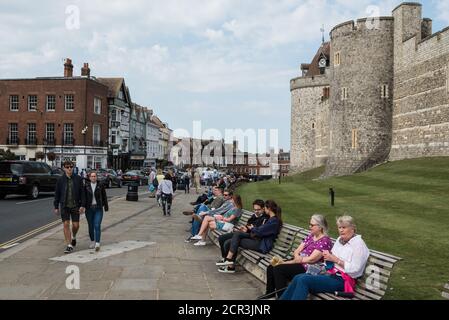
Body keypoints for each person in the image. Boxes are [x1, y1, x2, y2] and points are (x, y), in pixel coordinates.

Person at [280, 216, 370, 300]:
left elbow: (355, 270)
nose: (341, 230)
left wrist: (336, 260)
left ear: (352, 228)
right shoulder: (340, 240)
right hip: (329, 274)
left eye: (344, 227)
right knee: (298, 277)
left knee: (304, 280)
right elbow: (330, 259)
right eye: (340, 227)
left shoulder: (359, 245)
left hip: (343, 281)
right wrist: (327, 259)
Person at [262, 214, 333, 299]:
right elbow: (297, 250)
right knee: (271, 267)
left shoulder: (325, 241)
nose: (309, 226)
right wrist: (296, 257)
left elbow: (312, 259)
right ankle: (270, 293)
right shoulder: (311, 236)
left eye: (312, 225)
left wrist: (298, 260)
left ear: (320, 227)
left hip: (309, 267)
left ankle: (283, 297)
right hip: (299, 261)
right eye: (309, 224)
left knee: (278, 269)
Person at [217, 200, 282, 273]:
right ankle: (229, 265)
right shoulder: (271, 219)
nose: (264, 210)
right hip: (258, 240)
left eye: (265, 208)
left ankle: (228, 260)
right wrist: (251, 229)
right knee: (231, 241)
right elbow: (260, 230)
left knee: (235, 238)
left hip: (262, 245)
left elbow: (260, 232)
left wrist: (252, 228)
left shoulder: (273, 221)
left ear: (268, 208)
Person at [217, 199, 269, 264]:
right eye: (255, 210)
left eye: (258, 210)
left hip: (253, 238)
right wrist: (245, 229)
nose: (256, 211)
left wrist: (250, 230)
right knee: (221, 238)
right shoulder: (254, 216)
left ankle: (229, 262)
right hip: (247, 234)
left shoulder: (265, 218)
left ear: (263, 209)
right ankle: (224, 258)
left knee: (230, 241)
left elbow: (259, 231)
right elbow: (248, 227)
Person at [53, 160, 86, 254]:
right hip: (64, 206)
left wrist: (83, 205)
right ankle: (69, 245)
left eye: (71, 167)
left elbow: (82, 193)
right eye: (67, 167)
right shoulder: (60, 180)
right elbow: (57, 194)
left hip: (75, 205)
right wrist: (56, 206)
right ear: (64, 168)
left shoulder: (79, 179)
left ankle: (74, 237)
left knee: (76, 225)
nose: (69, 168)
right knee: (66, 224)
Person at [83, 170, 109, 252]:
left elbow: (104, 196)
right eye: (92, 176)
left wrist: (106, 206)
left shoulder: (100, 185)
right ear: (89, 177)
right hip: (89, 209)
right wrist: (82, 206)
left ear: (96, 177)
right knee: (90, 226)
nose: (93, 177)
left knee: (97, 225)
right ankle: (92, 241)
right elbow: (84, 198)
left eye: (95, 176)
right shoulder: (86, 186)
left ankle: (97, 243)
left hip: (98, 208)